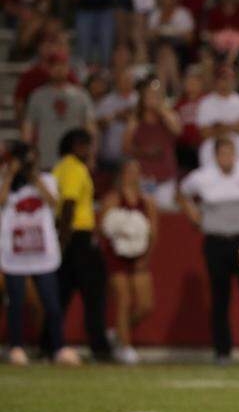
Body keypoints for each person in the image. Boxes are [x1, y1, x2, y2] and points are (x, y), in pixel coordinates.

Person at [178, 137, 239, 365]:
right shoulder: (203, 177)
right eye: (223, 153)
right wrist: (195, 217)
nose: (227, 158)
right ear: (216, 155)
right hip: (216, 243)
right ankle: (222, 351)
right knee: (220, 296)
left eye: (230, 153)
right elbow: (182, 193)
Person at [1, 142, 79, 366]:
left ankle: (58, 347)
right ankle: (16, 347)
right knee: (15, 303)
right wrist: (10, 175)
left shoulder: (47, 180)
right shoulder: (4, 179)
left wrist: (34, 178)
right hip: (15, 253)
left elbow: (54, 202)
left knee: (52, 303)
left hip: (42, 253)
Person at [52, 128, 113, 361]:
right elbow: (68, 203)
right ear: (76, 146)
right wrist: (64, 239)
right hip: (77, 237)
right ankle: (99, 347)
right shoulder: (75, 169)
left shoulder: (61, 167)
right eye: (86, 145)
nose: (89, 150)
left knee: (62, 293)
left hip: (69, 237)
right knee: (94, 294)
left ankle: (51, 342)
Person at [100, 159, 157, 365]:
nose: (133, 175)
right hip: (117, 256)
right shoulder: (113, 198)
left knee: (145, 305)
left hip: (139, 257)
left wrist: (145, 256)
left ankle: (117, 333)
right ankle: (125, 347)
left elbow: (153, 231)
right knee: (123, 300)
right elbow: (104, 228)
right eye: (129, 171)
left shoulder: (146, 201)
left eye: (137, 171)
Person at [22, 52, 96, 169]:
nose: (59, 69)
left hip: (74, 162)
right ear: (49, 69)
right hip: (45, 160)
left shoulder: (81, 95)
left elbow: (90, 128)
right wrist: (27, 154)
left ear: (68, 68)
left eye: (63, 65)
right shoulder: (37, 96)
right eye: (55, 65)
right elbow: (28, 128)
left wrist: (91, 156)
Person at [124, 78, 181, 208]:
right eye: (149, 95)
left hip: (165, 176)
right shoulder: (135, 120)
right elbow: (125, 147)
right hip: (144, 177)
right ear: (142, 98)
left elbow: (177, 131)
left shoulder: (169, 116)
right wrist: (144, 152)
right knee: (146, 210)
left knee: (165, 211)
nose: (152, 99)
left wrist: (160, 109)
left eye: (156, 96)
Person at [196, 65, 239, 169]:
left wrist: (219, 126)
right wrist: (235, 125)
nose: (226, 82)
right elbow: (205, 132)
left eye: (229, 79)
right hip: (211, 154)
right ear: (216, 81)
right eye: (223, 79)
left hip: (238, 152)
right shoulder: (205, 103)